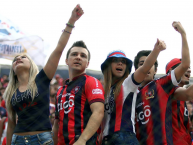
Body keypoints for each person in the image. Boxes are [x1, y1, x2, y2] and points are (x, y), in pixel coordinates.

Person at [3, 4, 84, 145]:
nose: (18, 59)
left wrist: (71, 22)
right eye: (15, 59)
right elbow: (10, 124)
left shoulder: (41, 79)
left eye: (23, 57)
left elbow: (59, 49)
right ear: (13, 70)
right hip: (17, 140)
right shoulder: (10, 91)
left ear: (31, 65)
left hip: (42, 140)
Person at [52, 7, 105, 145]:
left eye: (83, 56)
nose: (78, 57)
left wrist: (82, 140)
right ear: (66, 61)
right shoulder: (60, 91)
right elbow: (57, 124)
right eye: (74, 54)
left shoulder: (91, 82)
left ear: (87, 63)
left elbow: (98, 112)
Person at [134, 21, 192, 145]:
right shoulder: (130, 93)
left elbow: (185, 65)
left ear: (155, 70)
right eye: (142, 64)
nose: (146, 67)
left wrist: (183, 34)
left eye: (150, 64)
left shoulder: (161, 85)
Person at [100, 38, 166, 145]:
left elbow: (145, 68)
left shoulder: (128, 83)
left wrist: (156, 50)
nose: (120, 63)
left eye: (123, 62)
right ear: (108, 65)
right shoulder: (102, 92)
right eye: (115, 61)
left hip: (125, 137)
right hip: (106, 140)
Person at [166, 58, 192, 145]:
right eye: (184, 67)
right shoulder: (167, 90)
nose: (189, 70)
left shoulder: (182, 96)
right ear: (172, 71)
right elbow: (188, 94)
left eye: (189, 67)